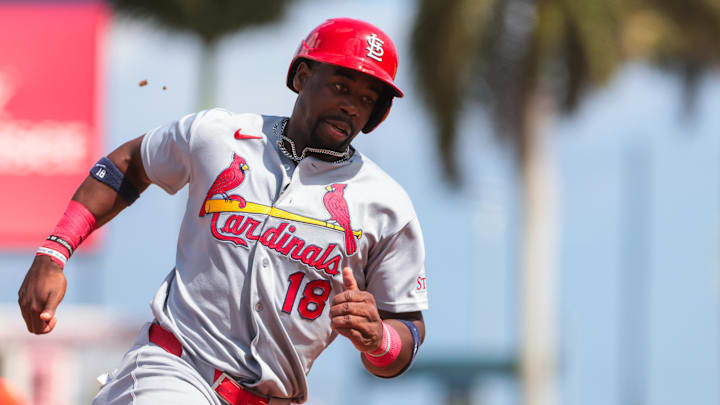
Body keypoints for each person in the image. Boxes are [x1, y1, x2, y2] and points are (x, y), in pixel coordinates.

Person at [17, 17, 428, 405]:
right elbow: (130, 162)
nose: (352, 107)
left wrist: (379, 340)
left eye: (366, 99)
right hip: (174, 368)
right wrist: (54, 251)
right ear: (302, 76)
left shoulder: (385, 206)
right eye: (341, 86)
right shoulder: (220, 136)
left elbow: (407, 327)